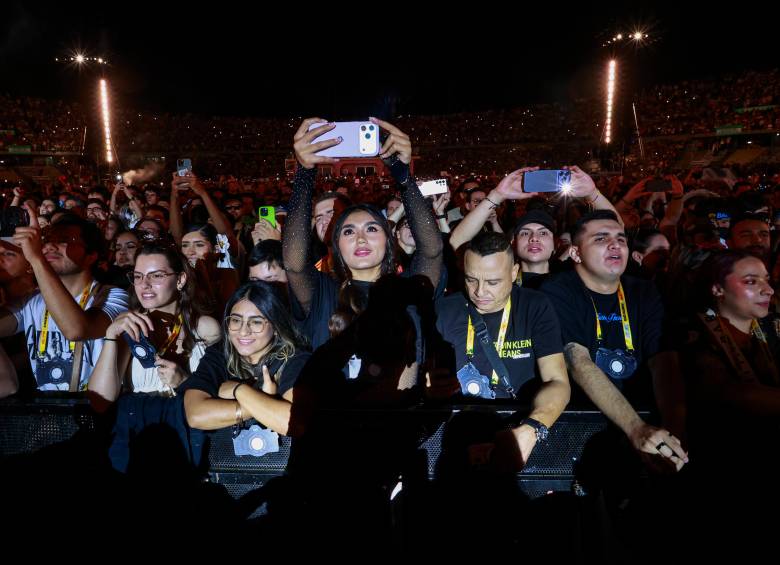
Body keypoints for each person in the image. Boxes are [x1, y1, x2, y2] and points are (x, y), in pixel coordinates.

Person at [283, 117, 443, 367]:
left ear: (388, 239)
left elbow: (432, 250)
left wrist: (402, 173)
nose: (360, 237)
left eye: (371, 228)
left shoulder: (409, 290)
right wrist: (304, 173)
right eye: (348, 232)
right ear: (337, 247)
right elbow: (294, 264)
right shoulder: (322, 293)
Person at [541, 210, 688, 471]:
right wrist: (635, 428)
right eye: (600, 239)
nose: (615, 244)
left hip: (648, 420)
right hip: (585, 427)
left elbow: (663, 361)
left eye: (621, 239)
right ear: (575, 253)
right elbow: (577, 360)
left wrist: (673, 435)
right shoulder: (558, 290)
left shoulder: (644, 290)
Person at [434, 231, 570, 467]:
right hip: (459, 434)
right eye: (471, 279)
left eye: (493, 282)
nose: (480, 291)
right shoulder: (445, 310)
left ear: (514, 272)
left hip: (518, 427)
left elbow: (558, 381)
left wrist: (532, 428)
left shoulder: (534, 305)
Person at [0, 210, 128, 394]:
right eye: (47, 240)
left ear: (91, 255)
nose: (50, 246)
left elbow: (77, 330)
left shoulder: (113, 296)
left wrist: (36, 260)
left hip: (96, 410)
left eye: (64, 240)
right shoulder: (32, 301)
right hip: (47, 413)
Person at [88, 242, 221, 406]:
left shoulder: (205, 328)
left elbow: (219, 395)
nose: (144, 284)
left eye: (157, 275)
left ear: (180, 279)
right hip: (141, 427)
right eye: (138, 276)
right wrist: (110, 336)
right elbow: (99, 402)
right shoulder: (129, 328)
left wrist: (185, 382)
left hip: (189, 425)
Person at [183, 282, 310, 436]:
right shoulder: (220, 354)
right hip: (227, 458)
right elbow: (195, 415)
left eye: (256, 322)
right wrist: (262, 401)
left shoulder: (295, 359)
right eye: (236, 320)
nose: (243, 332)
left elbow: (291, 423)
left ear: (276, 327)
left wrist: (239, 390)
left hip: (283, 458)